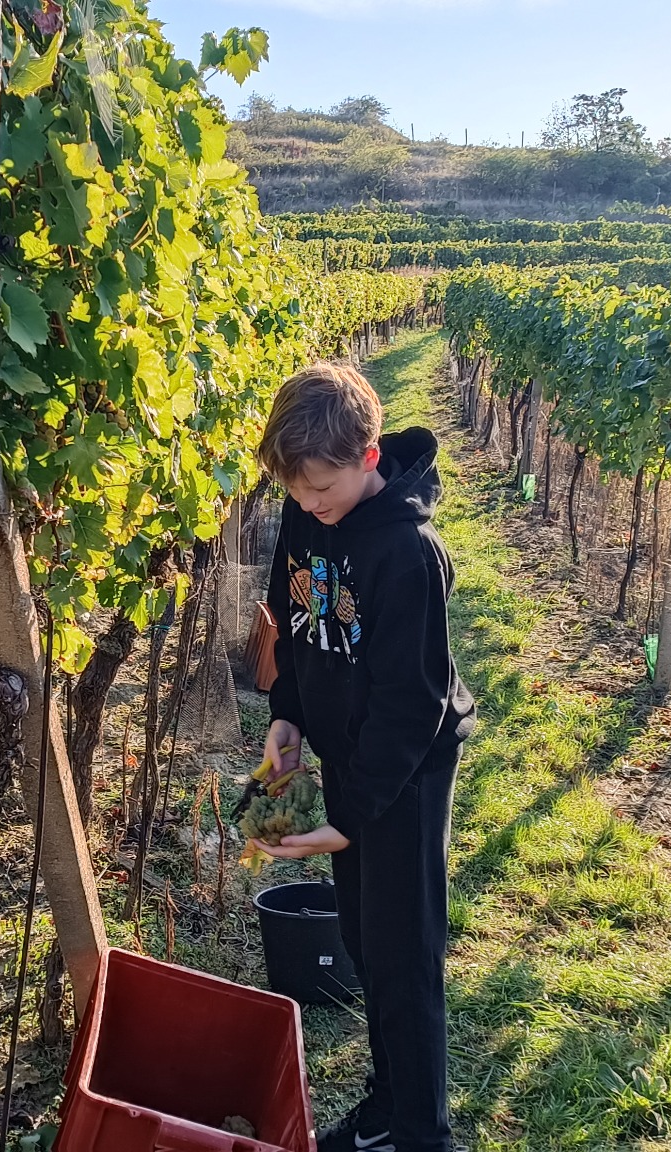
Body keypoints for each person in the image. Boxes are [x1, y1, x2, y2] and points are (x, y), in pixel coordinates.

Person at [251, 362, 476, 1152]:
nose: (309, 502)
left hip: (405, 773)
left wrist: (347, 819)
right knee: (364, 941)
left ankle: (421, 1133)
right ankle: (388, 1109)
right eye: (296, 489)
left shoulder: (409, 555)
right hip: (351, 753)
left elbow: (411, 706)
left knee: (403, 956)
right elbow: (295, 619)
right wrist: (289, 715)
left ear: (369, 457)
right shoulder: (306, 512)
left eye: (322, 487)